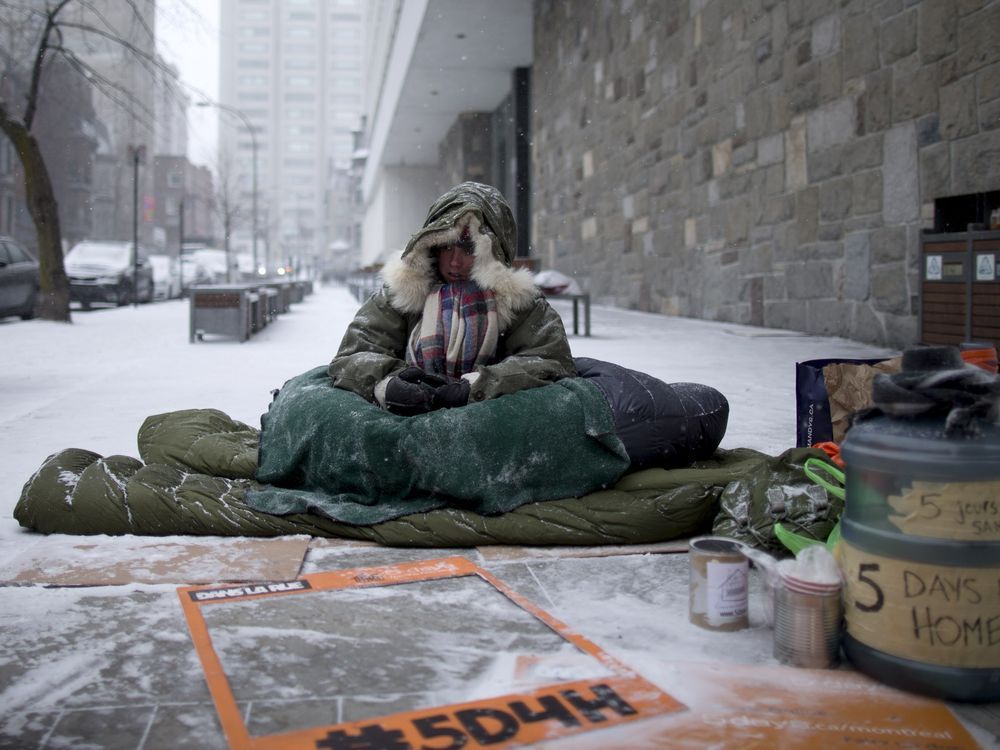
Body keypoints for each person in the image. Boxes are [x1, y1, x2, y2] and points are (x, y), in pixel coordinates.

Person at [329, 182, 576, 415]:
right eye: (447, 246)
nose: (455, 261)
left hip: (486, 424)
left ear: (492, 251)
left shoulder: (519, 302)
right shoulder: (401, 294)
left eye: (469, 248)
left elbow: (550, 360)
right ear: (431, 246)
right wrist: (389, 384)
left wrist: (479, 386)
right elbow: (354, 354)